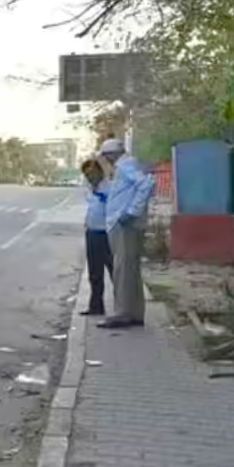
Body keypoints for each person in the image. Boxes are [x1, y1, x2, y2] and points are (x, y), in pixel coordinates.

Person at [97, 138, 155, 329]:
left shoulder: (125, 166)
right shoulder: (125, 166)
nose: (106, 160)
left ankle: (122, 313)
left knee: (122, 269)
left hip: (124, 225)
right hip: (124, 224)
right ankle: (134, 312)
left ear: (112, 154)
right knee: (130, 269)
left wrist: (132, 212)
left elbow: (146, 184)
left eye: (106, 156)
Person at [81, 158, 114, 316]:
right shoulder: (89, 190)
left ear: (100, 172)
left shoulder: (110, 188)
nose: (90, 177)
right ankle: (96, 306)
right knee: (94, 273)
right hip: (92, 233)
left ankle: (122, 307)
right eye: (87, 175)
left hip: (107, 234)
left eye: (92, 173)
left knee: (114, 270)